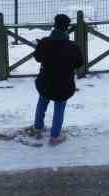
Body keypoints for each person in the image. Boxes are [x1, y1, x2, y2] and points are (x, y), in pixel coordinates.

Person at [27, 12, 84, 145]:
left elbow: (37, 58)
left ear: (54, 25)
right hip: (64, 84)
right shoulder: (73, 47)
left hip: (45, 82)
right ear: (67, 28)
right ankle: (55, 136)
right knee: (59, 107)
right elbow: (79, 63)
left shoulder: (45, 42)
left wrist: (41, 47)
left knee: (42, 101)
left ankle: (38, 127)